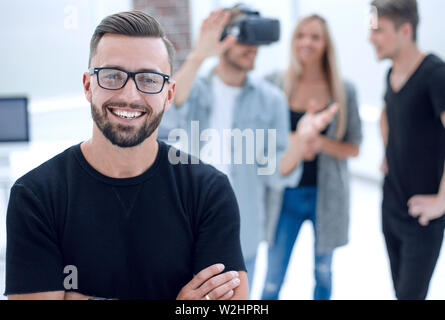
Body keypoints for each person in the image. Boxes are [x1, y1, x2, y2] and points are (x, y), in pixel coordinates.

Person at [4, 11, 249, 300]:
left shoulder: (208, 191)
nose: (130, 95)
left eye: (148, 79)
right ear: (87, 86)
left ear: (169, 95)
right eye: (112, 76)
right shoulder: (36, 195)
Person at [161, 5, 338, 290]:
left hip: (241, 235)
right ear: (223, 39)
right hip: (187, 231)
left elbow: (275, 172)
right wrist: (198, 55)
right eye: (244, 35)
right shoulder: (193, 88)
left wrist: (301, 139)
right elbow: (166, 115)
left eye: (257, 38)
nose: (252, 46)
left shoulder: (271, 100)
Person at [261, 14, 363, 300]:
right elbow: (262, 141)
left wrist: (318, 142)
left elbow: (354, 147)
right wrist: (297, 140)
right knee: (272, 277)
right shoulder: (274, 85)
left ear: (326, 44)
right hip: (284, 197)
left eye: (315, 36)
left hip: (326, 196)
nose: (307, 42)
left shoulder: (345, 91)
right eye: (301, 35)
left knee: (323, 273)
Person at [369, 0, 445, 300]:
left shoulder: (435, 74)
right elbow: (387, 113)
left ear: (405, 30)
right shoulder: (391, 73)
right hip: (392, 205)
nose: (370, 38)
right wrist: (388, 153)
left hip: (423, 216)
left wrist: (442, 201)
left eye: (379, 30)